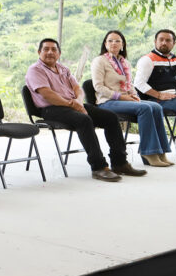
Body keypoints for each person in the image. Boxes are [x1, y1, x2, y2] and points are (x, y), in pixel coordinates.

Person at [25, 38, 146, 181]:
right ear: (39, 52)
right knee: (84, 120)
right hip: (51, 109)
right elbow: (47, 94)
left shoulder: (63, 68)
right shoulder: (35, 70)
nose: (50, 52)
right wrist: (72, 104)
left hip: (73, 104)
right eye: (46, 49)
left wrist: (78, 102)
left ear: (59, 53)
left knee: (111, 117)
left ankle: (120, 163)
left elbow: (77, 88)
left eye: (54, 49)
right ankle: (99, 167)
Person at [91, 30, 172, 166]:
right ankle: (149, 153)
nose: (114, 43)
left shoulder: (125, 63)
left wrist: (134, 96)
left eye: (117, 41)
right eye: (110, 40)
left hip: (124, 100)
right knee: (145, 108)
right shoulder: (99, 61)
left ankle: (161, 152)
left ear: (123, 45)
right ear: (105, 44)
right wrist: (122, 97)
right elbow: (98, 87)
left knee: (156, 106)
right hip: (107, 102)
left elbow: (130, 85)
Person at [134, 29, 176, 116]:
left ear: (174, 43)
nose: (164, 43)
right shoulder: (147, 59)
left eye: (168, 40)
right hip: (155, 100)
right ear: (155, 42)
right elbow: (138, 83)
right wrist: (159, 95)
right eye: (161, 39)